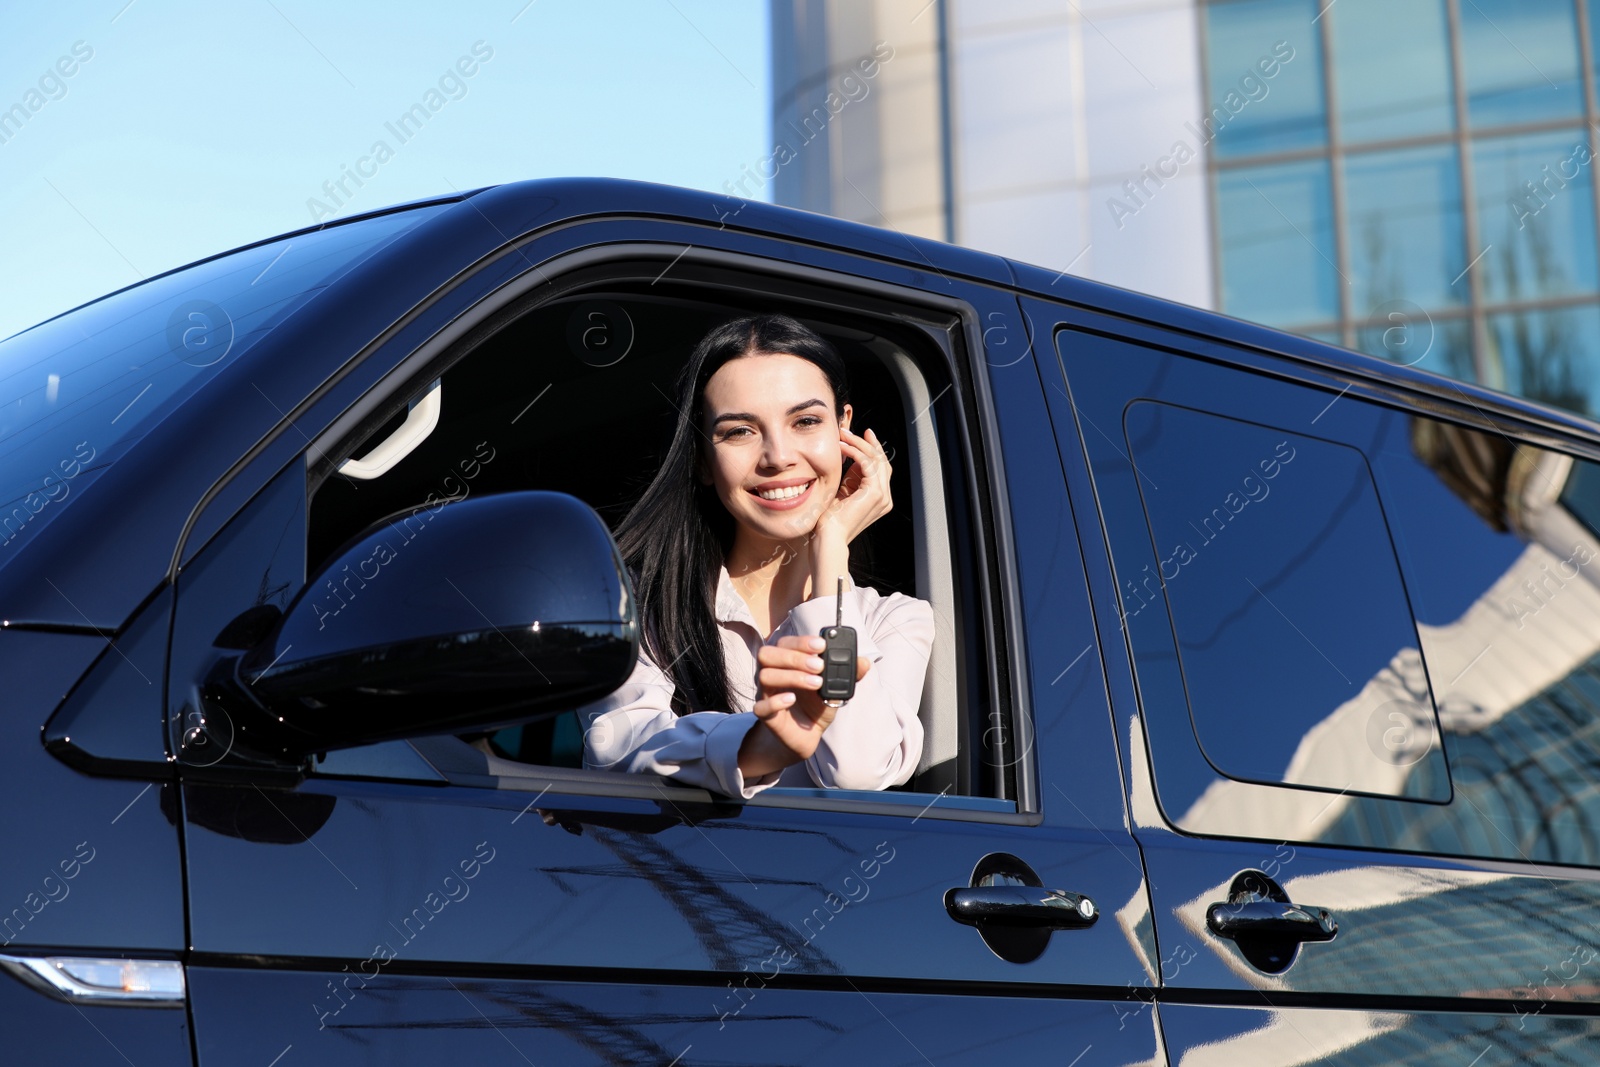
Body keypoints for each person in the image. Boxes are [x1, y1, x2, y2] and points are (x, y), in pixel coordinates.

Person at [578, 313, 936, 799]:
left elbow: (857, 772)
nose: (778, 456)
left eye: (806, 421)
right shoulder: (638, 607)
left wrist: (830, 549)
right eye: (739, 431)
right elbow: (619, 748)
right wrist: (758, 745)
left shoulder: (897, 620)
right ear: (703, 459)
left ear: (843, 429)